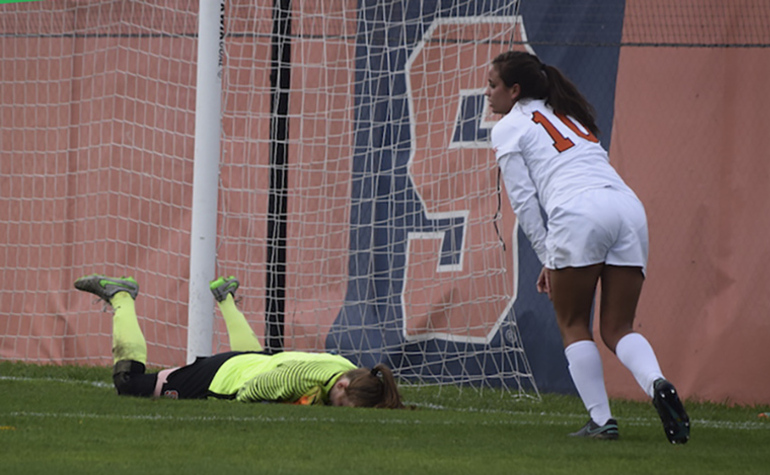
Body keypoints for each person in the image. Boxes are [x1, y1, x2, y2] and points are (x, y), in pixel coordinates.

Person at [485, 51, 689, 443]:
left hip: (578, 213)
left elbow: (524, 202)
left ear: (515, 90)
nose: (487, 94)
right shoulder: (568, 114)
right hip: (627, 208)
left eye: (492, 85)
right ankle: (657, 382)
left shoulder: (509, 127)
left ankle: (601, 421)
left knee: (573, 324)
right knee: (617, 327)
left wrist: (547, 255)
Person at [74, 274, 404, 409]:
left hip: (254, 359)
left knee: (252, 356)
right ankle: (121, 295)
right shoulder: (303, 378)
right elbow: (256, 389)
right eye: (340, 405)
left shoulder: (346, 366)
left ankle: (225, 298)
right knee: (129, 384)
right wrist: (240, 407)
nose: (336, 410)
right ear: (344, 386)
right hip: (221, 376)